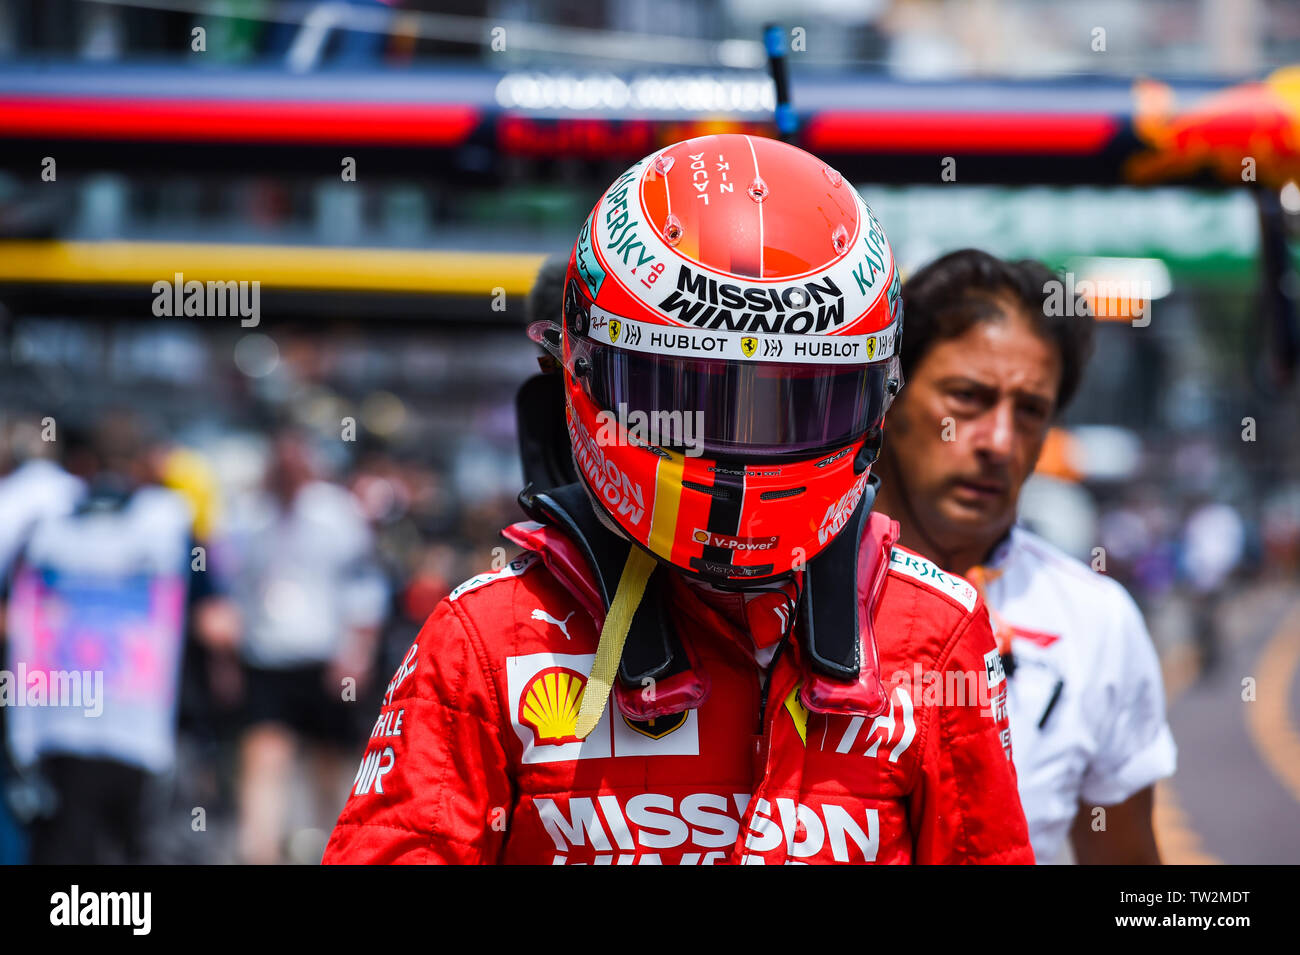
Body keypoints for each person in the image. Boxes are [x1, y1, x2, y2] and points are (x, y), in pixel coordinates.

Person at [323, 135, 1033, 865]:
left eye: (790, 404)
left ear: (875, 394)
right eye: (689, 395)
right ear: (584, 366)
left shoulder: (933, 631)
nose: (737, 448)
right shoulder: (490, 637)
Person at [873, 249, 1177, 864]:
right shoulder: (781, 586)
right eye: (967, 397)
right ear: (891, 396)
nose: (999, 441)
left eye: (1031, 411)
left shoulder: (1095, 622)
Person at [224, 427, 388, 864]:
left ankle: (334, 849)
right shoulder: (248, 515)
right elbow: (235, 588)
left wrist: (357, 654)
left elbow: (364, 587)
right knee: (263, 756)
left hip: (324, 657)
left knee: (328, 762)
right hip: (267, 655)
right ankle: (260, 853)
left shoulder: (336, 514)